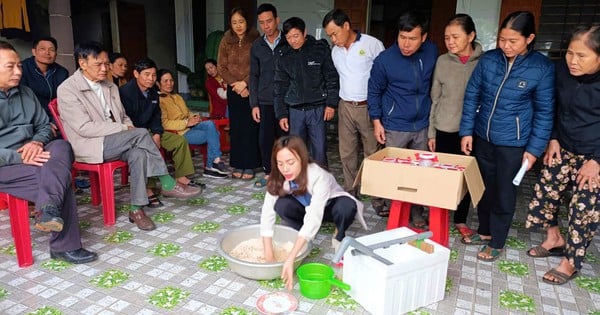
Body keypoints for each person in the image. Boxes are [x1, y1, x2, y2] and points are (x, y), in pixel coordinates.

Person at [57, 41, 193, 231]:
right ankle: (167, 180)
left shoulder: (109, 86)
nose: (105, 68)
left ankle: (136, 209)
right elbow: (84, 128)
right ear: (82, 63)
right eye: (99, 64)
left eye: (106, 63)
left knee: (138, 153)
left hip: (116, 141)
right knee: (140, 133)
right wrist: (123, 129)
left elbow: (123, 116)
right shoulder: (67, 89)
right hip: (90, 145)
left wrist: (126, 126)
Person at [459, 11, 555, 261]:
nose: (505, 46)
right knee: (483, 189)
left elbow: (545, 113)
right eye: (502, 39)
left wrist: (534, 150)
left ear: (529, 38)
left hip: (514, 143)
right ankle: (485, 232)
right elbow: (472, 96)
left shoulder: (542, 68)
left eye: (513, 41)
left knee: (504, 192)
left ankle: (498, 241)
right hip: (483, 137)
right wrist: (467, 131)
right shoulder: (489, 60)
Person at [0, 41, 97, 264]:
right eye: (10, 66)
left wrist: (36, 142)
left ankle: (47, 208)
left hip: (37, 153)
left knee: (62, 146)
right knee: (57, 177)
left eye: (19, 66)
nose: (18, 71)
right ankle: (64, 246)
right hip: (6, 164)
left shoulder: (25, 92)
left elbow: (45, 126)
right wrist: (20, 156)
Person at [525, 24, 600, 285]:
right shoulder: (563, 73)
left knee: (583, 209)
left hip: (593, 156)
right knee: (547, 191)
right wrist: (553, 137)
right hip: (563, 145)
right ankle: (554, 238)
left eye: (582, 56)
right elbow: (552, 107)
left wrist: (596, 161)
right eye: (570, 53)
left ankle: (570, 261)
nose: (573, 61)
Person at [260, 136, 367, 290]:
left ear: (302, 159)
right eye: (280, 163)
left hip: (329, 207)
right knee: (281, 205)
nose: (285, 169)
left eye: (290, 162)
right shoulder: (278, 177)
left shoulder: (318, 175)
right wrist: (269, 256)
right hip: (305, 208)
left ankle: (339, 233)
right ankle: (300, 233)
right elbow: (267, 213)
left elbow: (314, 215)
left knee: (346, 206)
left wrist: (291, 258)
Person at [367, 10, 438, 226]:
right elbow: (374, 91)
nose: (406, 44)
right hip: (395, 124)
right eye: (402, 38)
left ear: (423, 37)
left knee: (418, 172)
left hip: (422, 124)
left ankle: (416, 211)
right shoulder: (385, 60)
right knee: (395, 171)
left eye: (412, 39)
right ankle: (395, 209)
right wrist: (377, 120)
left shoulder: (432, 52)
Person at [322, 9, 385, 214]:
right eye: (329, 35)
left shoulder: (371, 44)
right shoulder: (335, 51)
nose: (333, 39)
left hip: (368, 106)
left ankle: (376, 196)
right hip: (346, 105)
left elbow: (384, 75)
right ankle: (350, 191)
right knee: (347, 152)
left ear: (346, 26)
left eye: (335, 33)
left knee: (372, 152)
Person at [119, 58, 203, 206]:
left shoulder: (153, 93)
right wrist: (149, 135)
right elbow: (126, 120)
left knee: (180, 141)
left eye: (153, 75)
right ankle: (149, 188)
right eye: (146, 74)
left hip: (153, 130)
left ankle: (180, 178)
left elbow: (157, 116)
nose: (150, 79)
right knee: (147, 147)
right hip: (135, 133)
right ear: (136, 74)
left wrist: (157, 133)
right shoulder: (125, 93)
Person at [428, 14, 482, 240]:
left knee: (467, 178)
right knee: (442, 176)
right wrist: (432, 131)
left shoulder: (485, 62)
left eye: (455, 37)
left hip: (472, 132)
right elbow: (435, 98)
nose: (450, 42)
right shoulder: (442, 61)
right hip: (444, 128)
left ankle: (460, 219)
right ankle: (438, 219)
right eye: (447, 37)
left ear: (471, 36)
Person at [273, 17, 339, 167]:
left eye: (296, 36)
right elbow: (279, 86)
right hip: (295, 110)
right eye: (288, 37)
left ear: (305, 33)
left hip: (316, 109)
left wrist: (331, 104)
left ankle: (321, 184)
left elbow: (331, 78)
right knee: (296, 151)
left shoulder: (318, 49)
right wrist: (282, 114)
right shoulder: (284, 55)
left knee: (319, 150)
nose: (292, 41)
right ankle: (299, 185)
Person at [156, 68, 229, 179]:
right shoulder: (159, 100)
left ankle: (215, 161)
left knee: (210, 124)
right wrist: (186, 122)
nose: (169, 84)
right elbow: (164, 123)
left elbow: (186, 112)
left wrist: (194, 117)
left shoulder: (177, 97)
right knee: (213, 134)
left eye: (171, 80)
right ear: (158, 83)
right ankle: (211, 166)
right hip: (179, 132)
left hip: (190, 126)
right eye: (165, 81)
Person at [217, 7, 261, 180]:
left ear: (247, 22)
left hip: (251, 87)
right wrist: (236, 85)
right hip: (234, 90)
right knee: (237, 128)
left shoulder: (255, 38)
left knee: (250, 127)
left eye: (241, 22)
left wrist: (245, 83)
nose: (238, 26)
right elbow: (221, 66)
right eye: (234, 22)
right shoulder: (226, 39)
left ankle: (250, 165)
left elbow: (259, 64)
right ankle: (238, 163)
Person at [250, 3, 288, 188]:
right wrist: (254, 104)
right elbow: (253, 76)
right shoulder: (257, 46)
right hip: (264, 101)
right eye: (262, 23)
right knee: (265, 139)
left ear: (277, 20)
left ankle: (287, 174)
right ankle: (269, 173)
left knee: (286, 139)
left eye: (269, 21)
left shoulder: (288, 41)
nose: (266, 26)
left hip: (286, 101)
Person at [20, 36, 69, 122]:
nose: (47, 53)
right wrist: (44, 122)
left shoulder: (62, 72)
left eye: (51, 50)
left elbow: (65, 101)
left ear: (56, 53)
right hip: (32, 118)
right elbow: (23, 102)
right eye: (42, 49)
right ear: (34, 52)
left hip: (58, 116)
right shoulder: (22, 69)